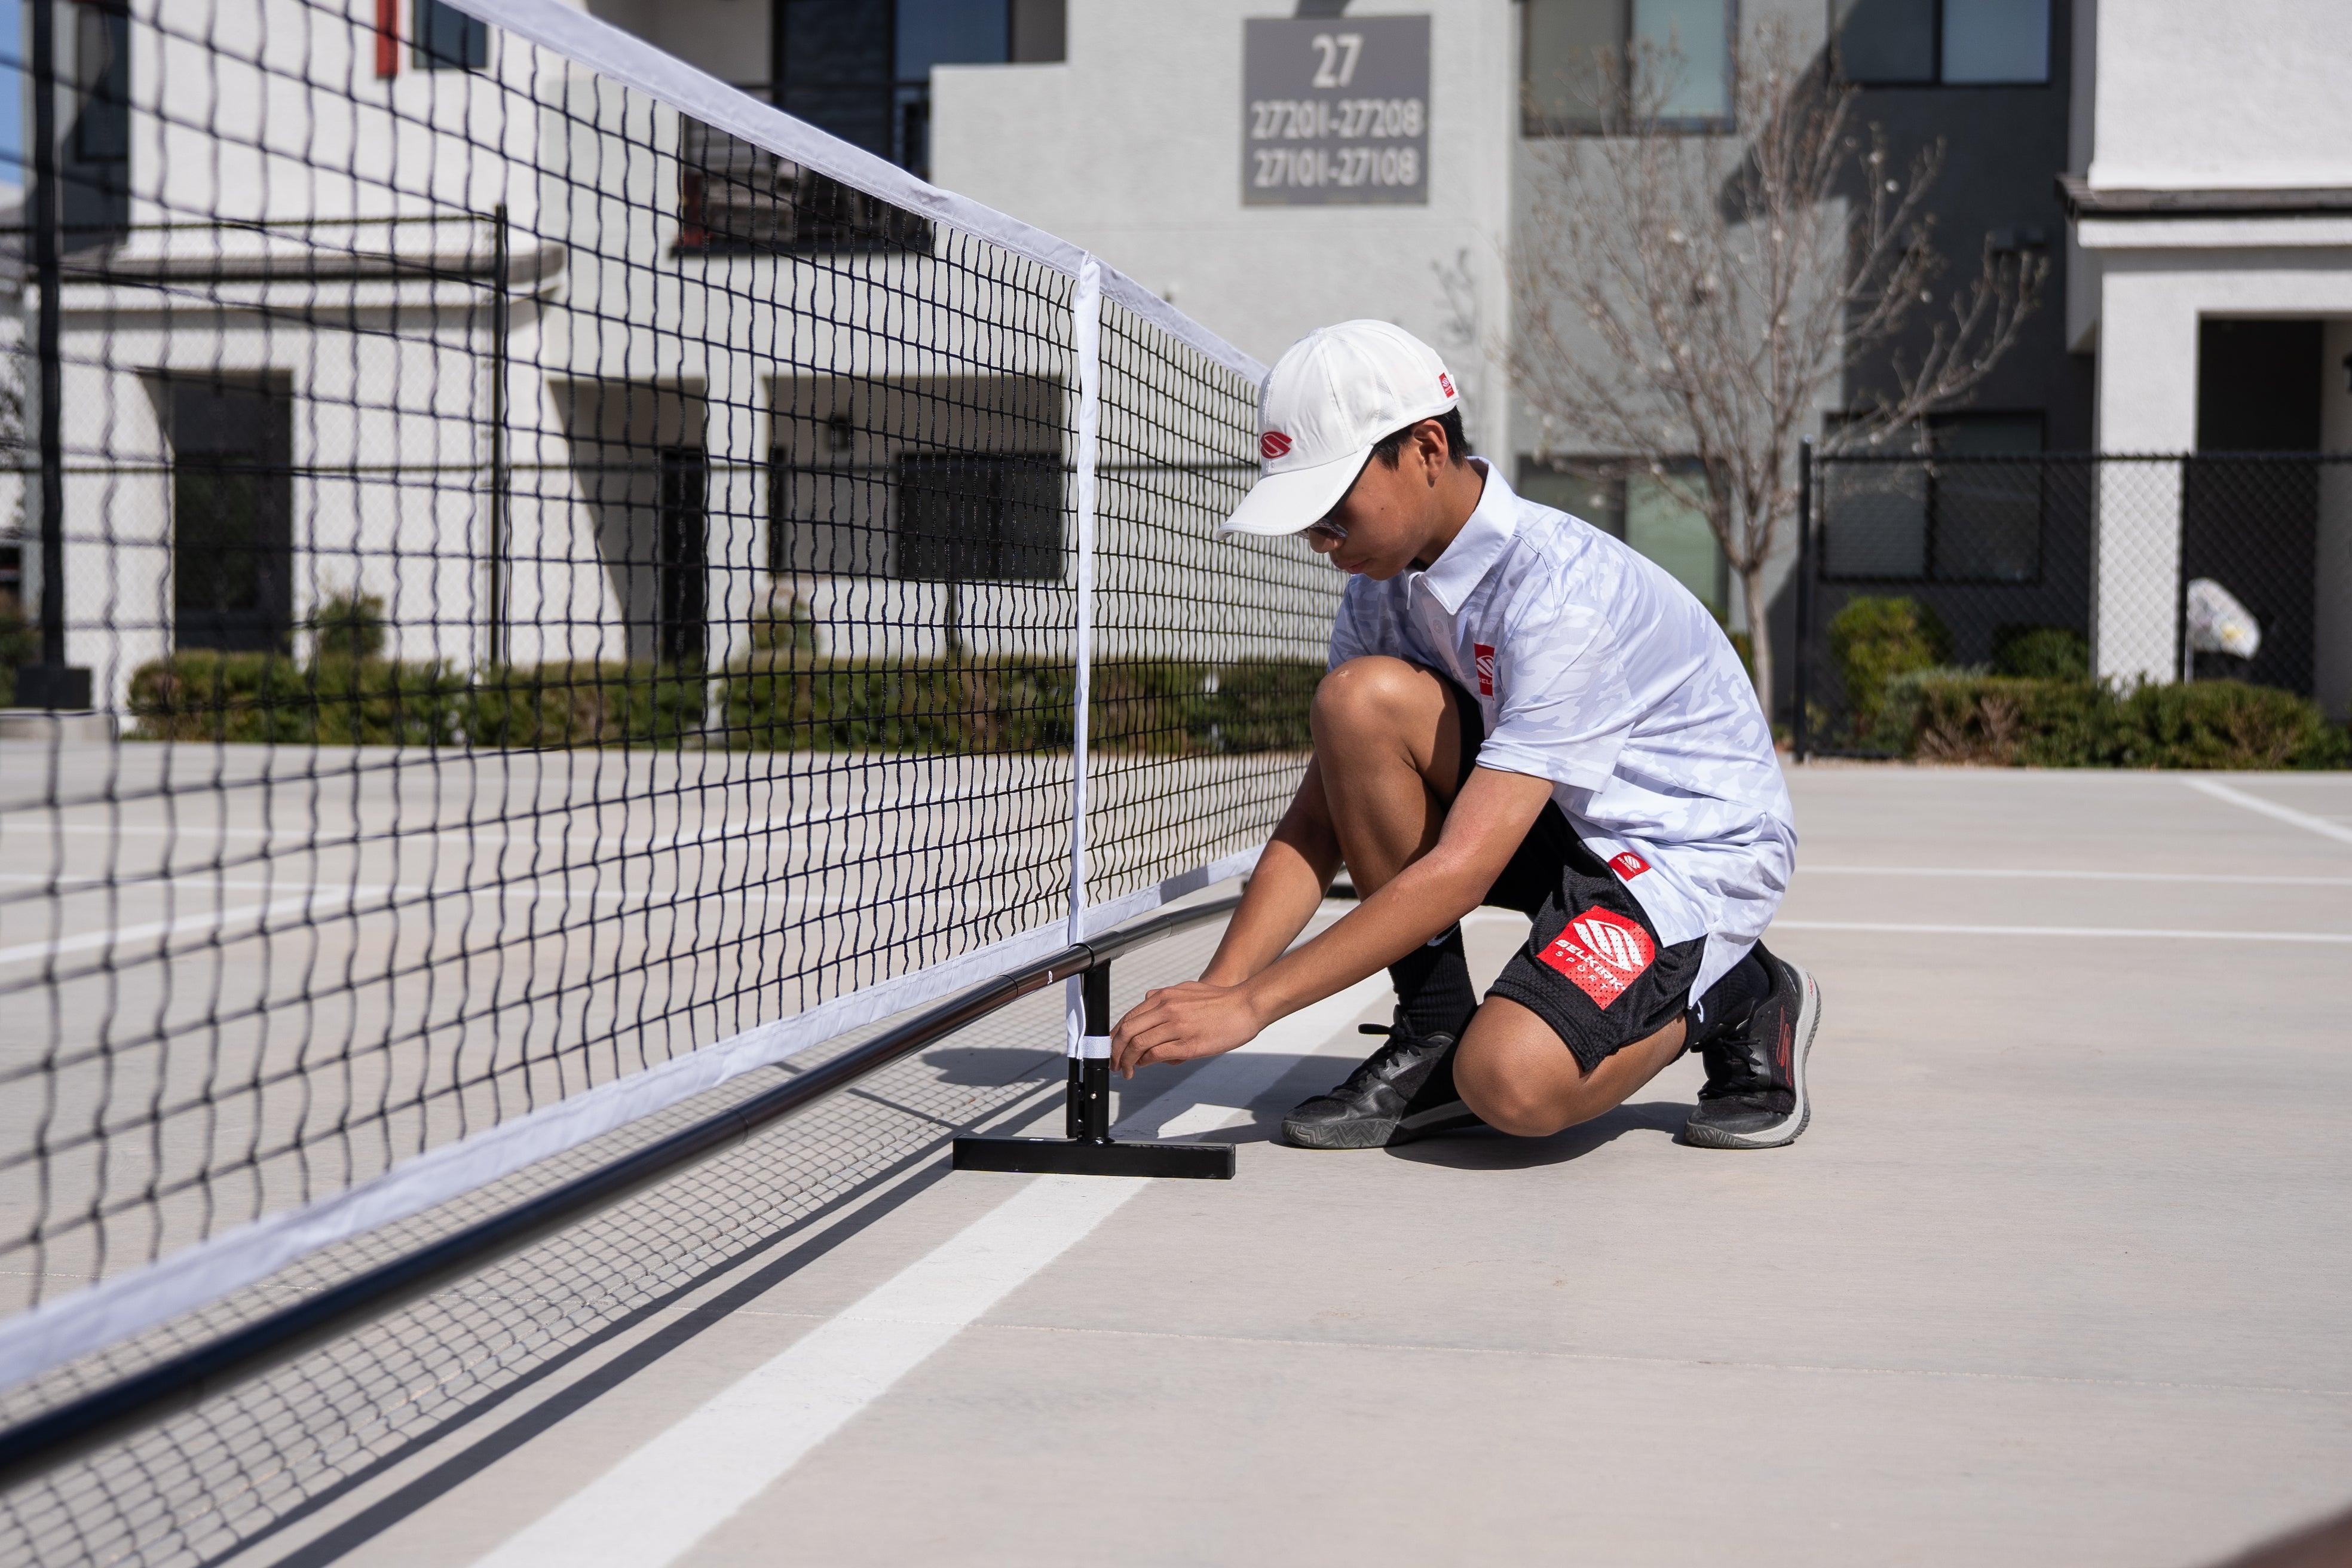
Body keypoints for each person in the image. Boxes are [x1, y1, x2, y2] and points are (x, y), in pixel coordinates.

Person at [1107, 319, 1818, 1150]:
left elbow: (1462, 866)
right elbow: (1317, 823)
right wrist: (1219, 989)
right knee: (1356, 705)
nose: (1318, 539)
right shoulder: (1383, 585)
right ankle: (1433, 1038)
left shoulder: (1560, 595)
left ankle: (1738, 992)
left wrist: (1257, 1004)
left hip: (1680, 854)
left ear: (1427, 449)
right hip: (1554, 815)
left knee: (1511, 1086)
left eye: (1333, 507)